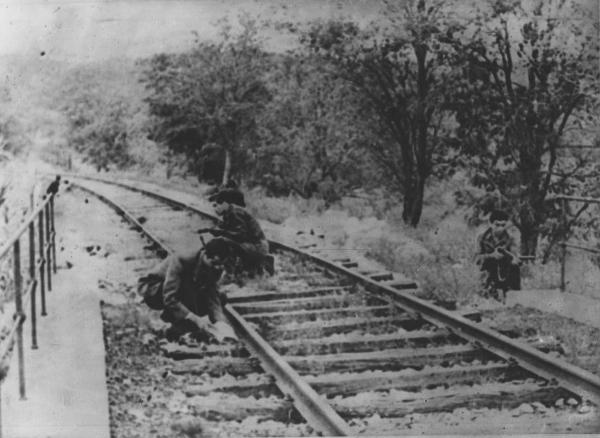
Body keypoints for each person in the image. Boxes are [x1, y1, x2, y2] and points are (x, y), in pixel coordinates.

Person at [137, 237, 238, 343]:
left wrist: (221, 322)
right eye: (214, 263)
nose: (217, 268)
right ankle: (170, 319)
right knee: (187, 289)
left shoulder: (215, 267)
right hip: (154, 290)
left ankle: (182, 319)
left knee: (221, 297)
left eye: (220, 264)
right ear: (207, 256)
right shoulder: (183, 260)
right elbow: (169, 297)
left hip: (184, 290)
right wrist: (194, 318)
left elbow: (213, 296)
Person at [199, 189, 274, 277]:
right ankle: (247, 268)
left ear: (225, 204)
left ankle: (231, 273)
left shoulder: (235, 213)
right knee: (221, 242)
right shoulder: (229, 214)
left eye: (217, 205)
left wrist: (220, 232)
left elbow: (241, 235)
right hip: (253, 245)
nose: (215, 208)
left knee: (223, 243)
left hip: (258, 247)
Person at [476, 209, 521, 302]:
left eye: (503, 225)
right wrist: (491, 255)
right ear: (491, 224)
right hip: (488, 272)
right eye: (497, 225)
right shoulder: (482, 238)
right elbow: (476, 258)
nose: (500, 228)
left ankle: (513, 296)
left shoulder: (510, 238)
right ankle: (489, 291)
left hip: (505, 272)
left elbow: (515, 255)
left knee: (514, 268)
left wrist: (513, 259)